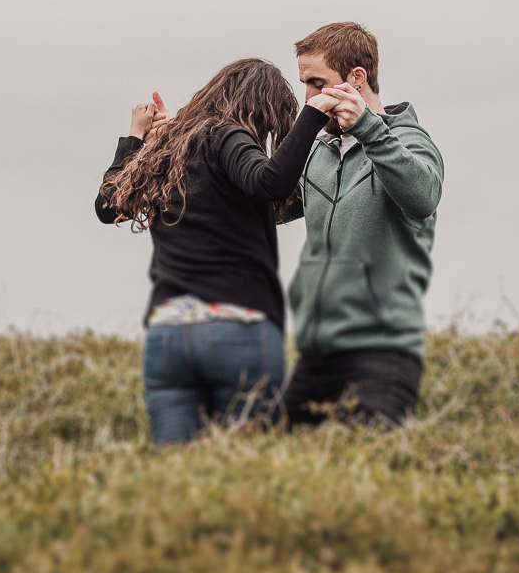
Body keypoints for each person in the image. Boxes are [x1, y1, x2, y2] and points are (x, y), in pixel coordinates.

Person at [95, 58, 352, 445]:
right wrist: (312, 114)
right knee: (244, 471)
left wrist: (137, 137)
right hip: (237, 327)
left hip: (169, 337)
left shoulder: (170, 150)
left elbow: (108, 206)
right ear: (259, 108)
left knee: (175, 475)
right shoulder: (227, 134)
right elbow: (269, 182)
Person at [280, 22, 444, 428]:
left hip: (383, 353)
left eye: (318, 83)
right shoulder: (316, 152)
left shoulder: (411, 140)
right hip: (316, 355)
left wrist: (369, 129)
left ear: (357, 78)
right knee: (268, 468)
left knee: (370, 476)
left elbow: (423, 197)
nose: (309, 99)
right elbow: (264, 206)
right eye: (305, 84)